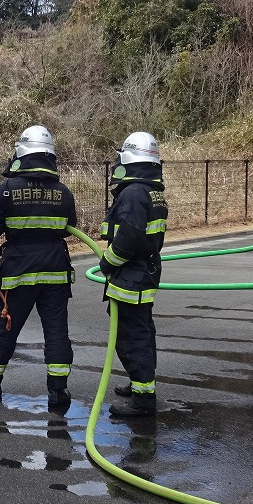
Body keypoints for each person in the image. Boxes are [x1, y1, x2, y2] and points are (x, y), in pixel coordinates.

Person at [0, 125, 78, 411]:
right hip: (55, 271)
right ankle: (58, 391)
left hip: (17, 273)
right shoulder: (63, 193)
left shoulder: (5, 192)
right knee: (56, 331)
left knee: (6, 327)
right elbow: (69, 228)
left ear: (22, 154)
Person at [100, 131, 168, 418]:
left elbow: (127, 238)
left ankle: (143, 399)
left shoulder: (132, 193)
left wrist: (107, 262)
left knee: (131, 336)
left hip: (130, 275)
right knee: (142, 331)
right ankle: (140, 384)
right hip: (144, 272)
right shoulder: (151, 192)